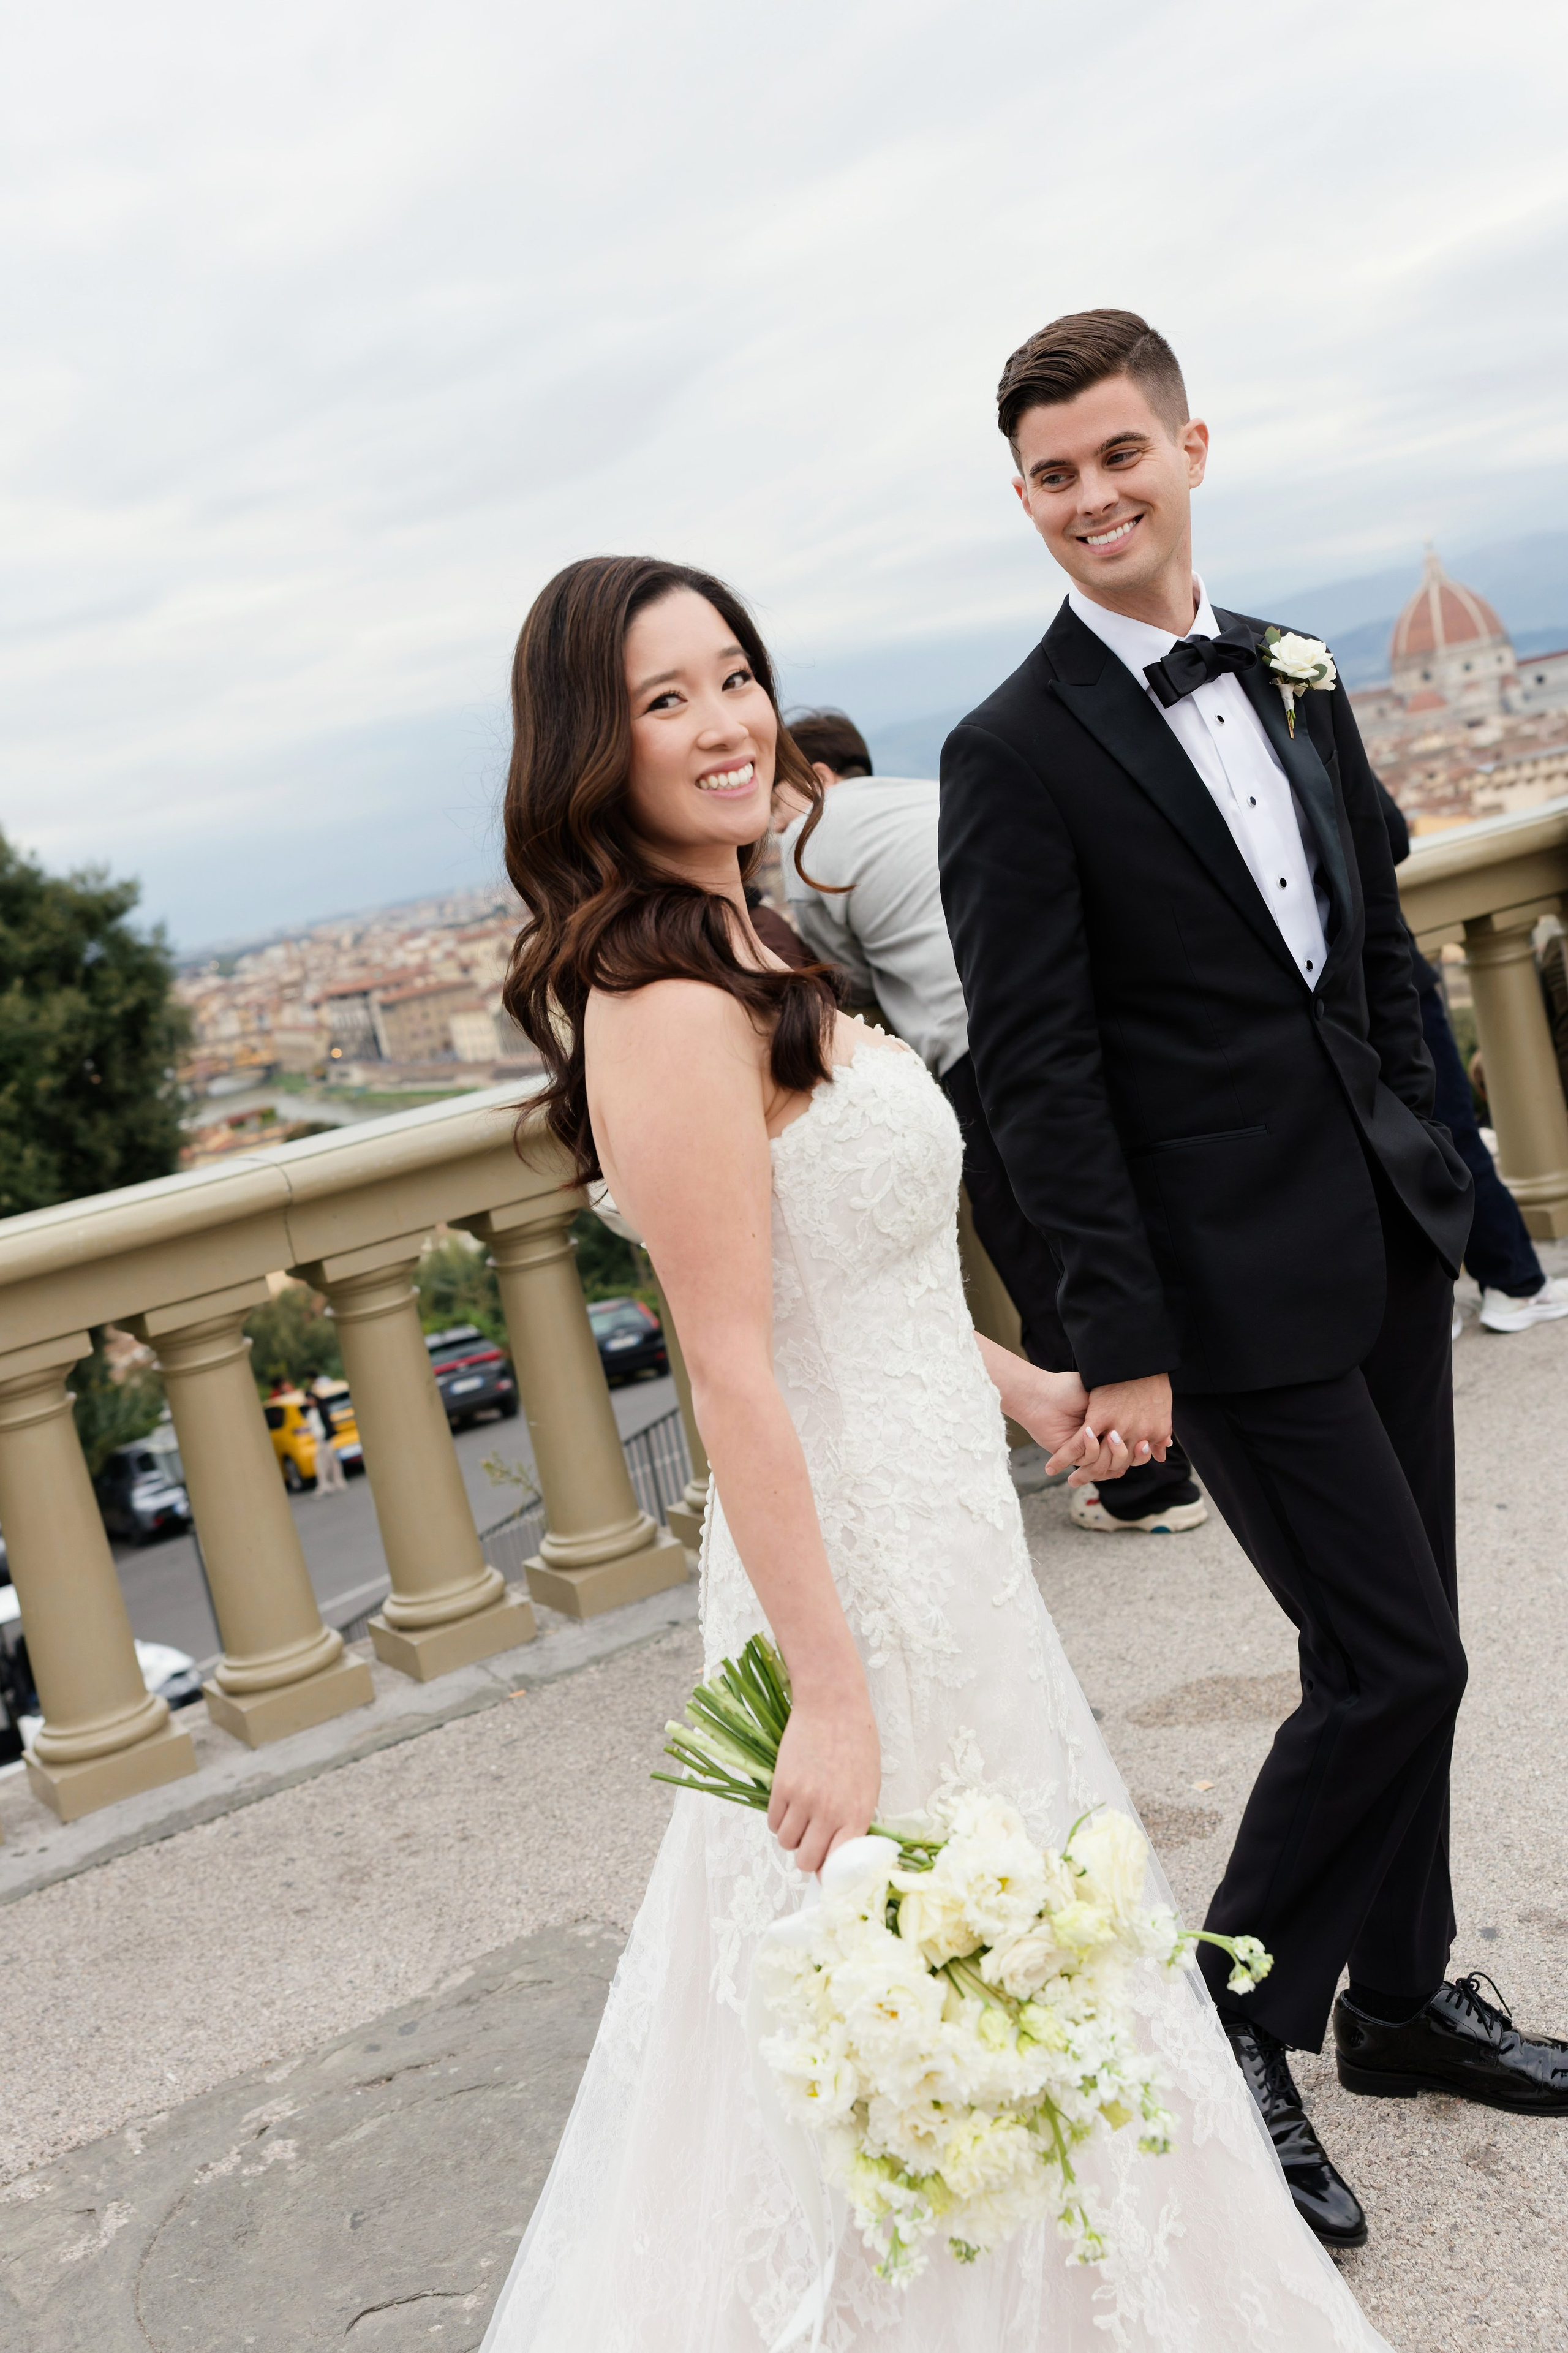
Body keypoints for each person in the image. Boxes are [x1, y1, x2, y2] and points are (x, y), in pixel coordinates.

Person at [477, 551, 1393, 2351]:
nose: (724, 721)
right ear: (596, 748)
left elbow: (851, 1280)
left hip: (943, 1536)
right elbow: (733, 1365)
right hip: (845, 1581)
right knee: (884, 1999)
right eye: (666, 698)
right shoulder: (658, 997)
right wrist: (823, 1690)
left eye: (732, 674)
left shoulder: (759, 935)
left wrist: (1022, 1382)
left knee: (1008, 1967)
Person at [938, 308, 1568, 2254]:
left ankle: (1393, 1999)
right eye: (1050, 472)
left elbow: (1369, 935)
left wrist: (1451, 1179)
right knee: (1397, 1658)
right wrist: (1112, 1343)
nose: (1088, 497)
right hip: (1217, 1297)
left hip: (1375, 1232)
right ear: (1024, 496)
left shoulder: (1291, 667)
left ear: (1189, 447)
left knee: (1407, 1637)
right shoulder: (1006, 752)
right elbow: (1035, 1078)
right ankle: (1233, 2023)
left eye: (1115, 454)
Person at [774, 707, 1206, 1537]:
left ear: (816, 782)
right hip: (1082, 1017)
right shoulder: (933, 793)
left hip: (983, 1049)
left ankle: (1142, 1487)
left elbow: (842, 981)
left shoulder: (807, 847)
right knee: (1128, 1228)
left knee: (1046, 1256)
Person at [1378, 780, 1568, 1337]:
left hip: (1317, 997)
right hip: (1386, 979)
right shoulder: (1301, 713)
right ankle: (1514, 1283)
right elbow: (1389, 832)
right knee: (1449, 1131)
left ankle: (1431, 1301)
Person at [305, 1396, 345, 1495]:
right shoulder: (311, 1412)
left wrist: (327, 1436)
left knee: (331, 1460)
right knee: (321, 1462)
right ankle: (325, 1484)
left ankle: (337, 1481)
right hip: (319, 1440)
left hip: (326, 1439)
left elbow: (328, 1424)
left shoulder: (322, 1410)